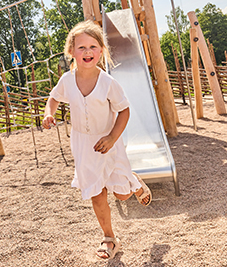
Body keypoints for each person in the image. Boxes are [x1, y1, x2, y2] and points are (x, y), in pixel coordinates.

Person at [42, 20, 152, 260]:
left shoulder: (108, 84)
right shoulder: (66, 80)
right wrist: (48, 113)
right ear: (71, 52)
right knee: (97, 192)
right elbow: (53, 98)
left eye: (93, 46)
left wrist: (112, 137)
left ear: (101, 51)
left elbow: (124, 111)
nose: (88, 52)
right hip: (84, 145)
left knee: (121, 195)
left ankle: (132, 181)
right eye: (81, 47)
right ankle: (109, 238)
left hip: (109, 143)